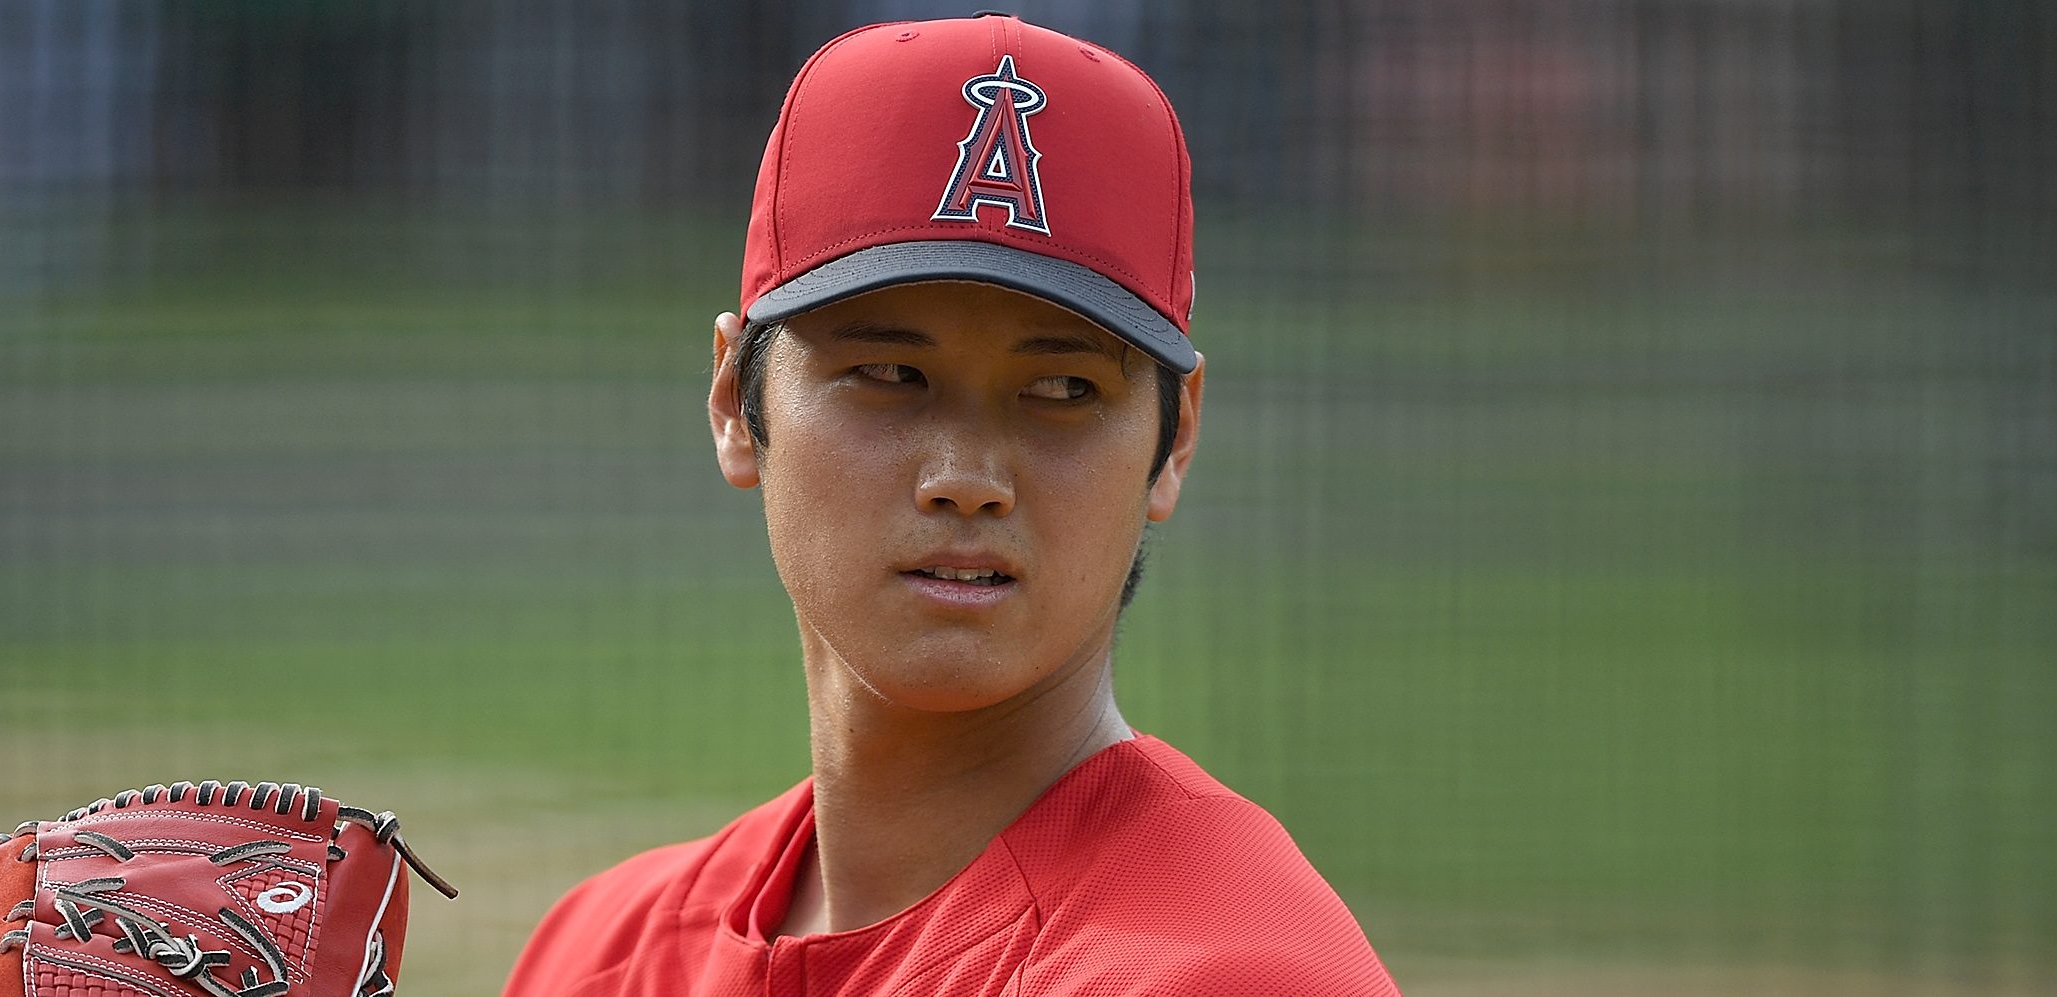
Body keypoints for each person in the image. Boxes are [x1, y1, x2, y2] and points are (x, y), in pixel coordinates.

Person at [504, 13, 1397, 995]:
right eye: (889, 372)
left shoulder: (1230, 970)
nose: (968, 475)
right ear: (734, 401)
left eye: (1062, 391)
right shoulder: (597, 955)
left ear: (1173, 437)